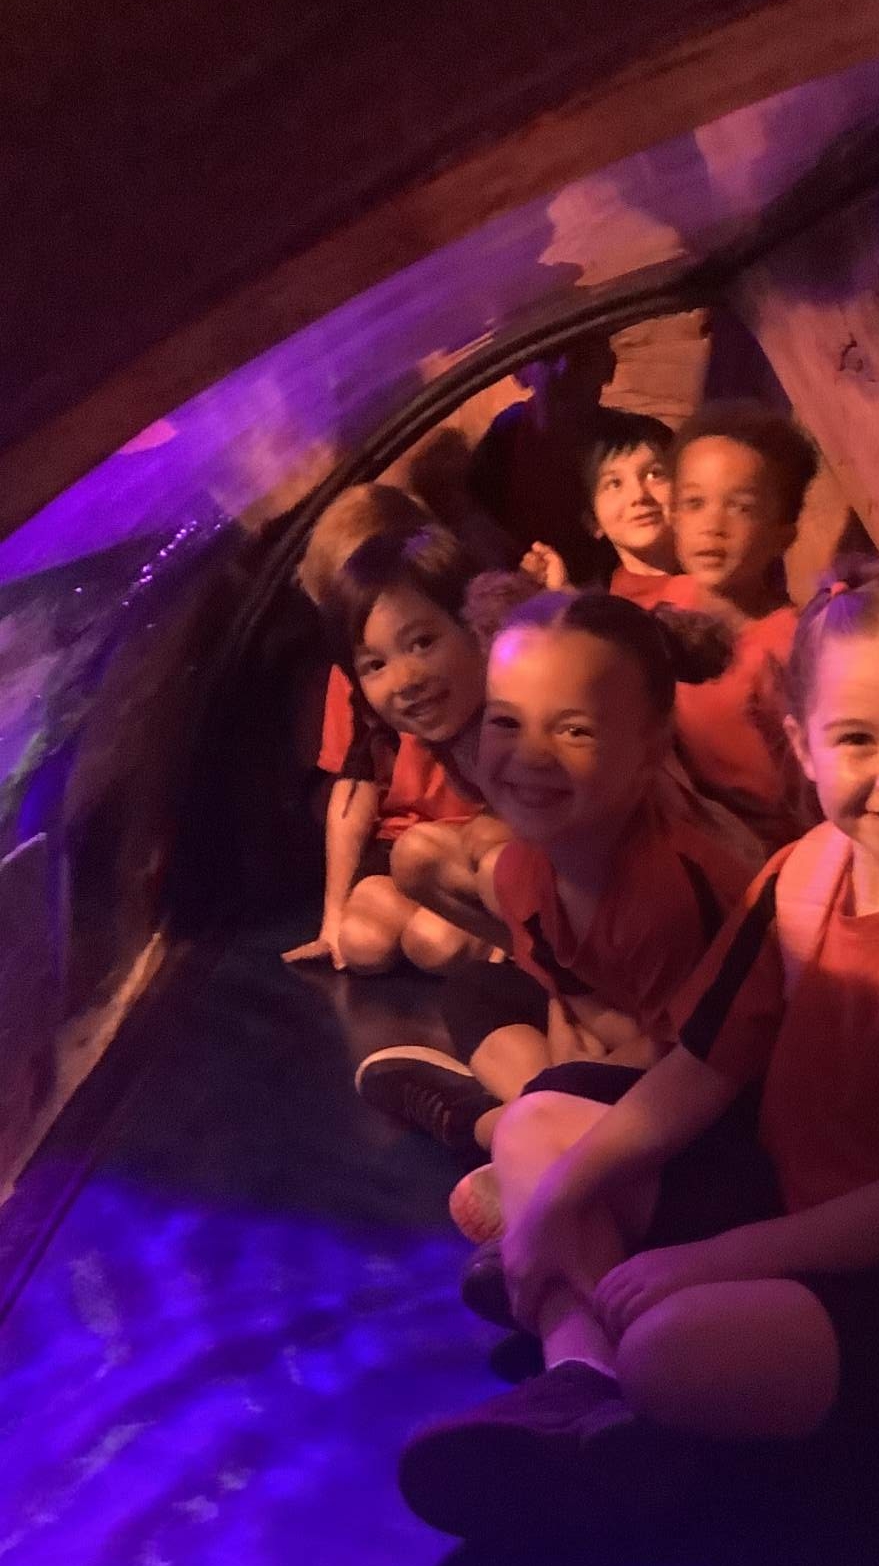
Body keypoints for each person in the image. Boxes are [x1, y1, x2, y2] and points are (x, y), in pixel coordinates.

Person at [396, 554, 879, 1545]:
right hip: (787, 1195)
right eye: (858, 739)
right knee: (540, 1126)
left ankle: (610, 1350)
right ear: (804, 742)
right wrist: (551, 1205)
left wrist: (711, 1261)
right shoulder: (804, 877)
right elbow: (698, 1071)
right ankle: (581, 1386)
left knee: (673, 1348)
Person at [355, 589, 759, 1155]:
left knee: (582, 1098)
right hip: (641, 1031)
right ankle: (528, 1123)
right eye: (506, 722)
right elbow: (574, 990)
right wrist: (576, 1028)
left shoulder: (665, 897)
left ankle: (487, 1124)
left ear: (651, 748)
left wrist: (576, 1077)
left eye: (574, 730)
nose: (530, 755)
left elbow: (697, 1060)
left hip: (729, 1087)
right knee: (475, 992)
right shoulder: (522, 869)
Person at [285, 500, 510, 975]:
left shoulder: (513, 704)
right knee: (363, 939)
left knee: (436, 938)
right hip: (423, 847)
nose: (405, 679)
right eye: (375, 664)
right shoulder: (369, 698)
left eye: (422, 643)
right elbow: (355, 784)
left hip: (492, 854)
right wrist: (332, 920)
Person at [623, 400, 821, 850]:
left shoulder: (791, 648)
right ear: (673, 514)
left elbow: (810, 795)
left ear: (783, 533)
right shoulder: (663, 605)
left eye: (741, 507)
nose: (713, 525)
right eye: (695, 503)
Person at [467, 332, 618, 586]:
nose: (565, 368)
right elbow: (476, 524)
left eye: (582, 355)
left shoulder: (638, 444)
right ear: (520, 371)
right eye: (550, 355)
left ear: (608, 366)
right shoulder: (505, 438)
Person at [516, 408, 677, 597]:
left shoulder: (705, 582)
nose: (639, 495)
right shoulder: (606, 603)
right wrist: (561, 595)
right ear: (593, 521)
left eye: (654, 474)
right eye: (614, 484)